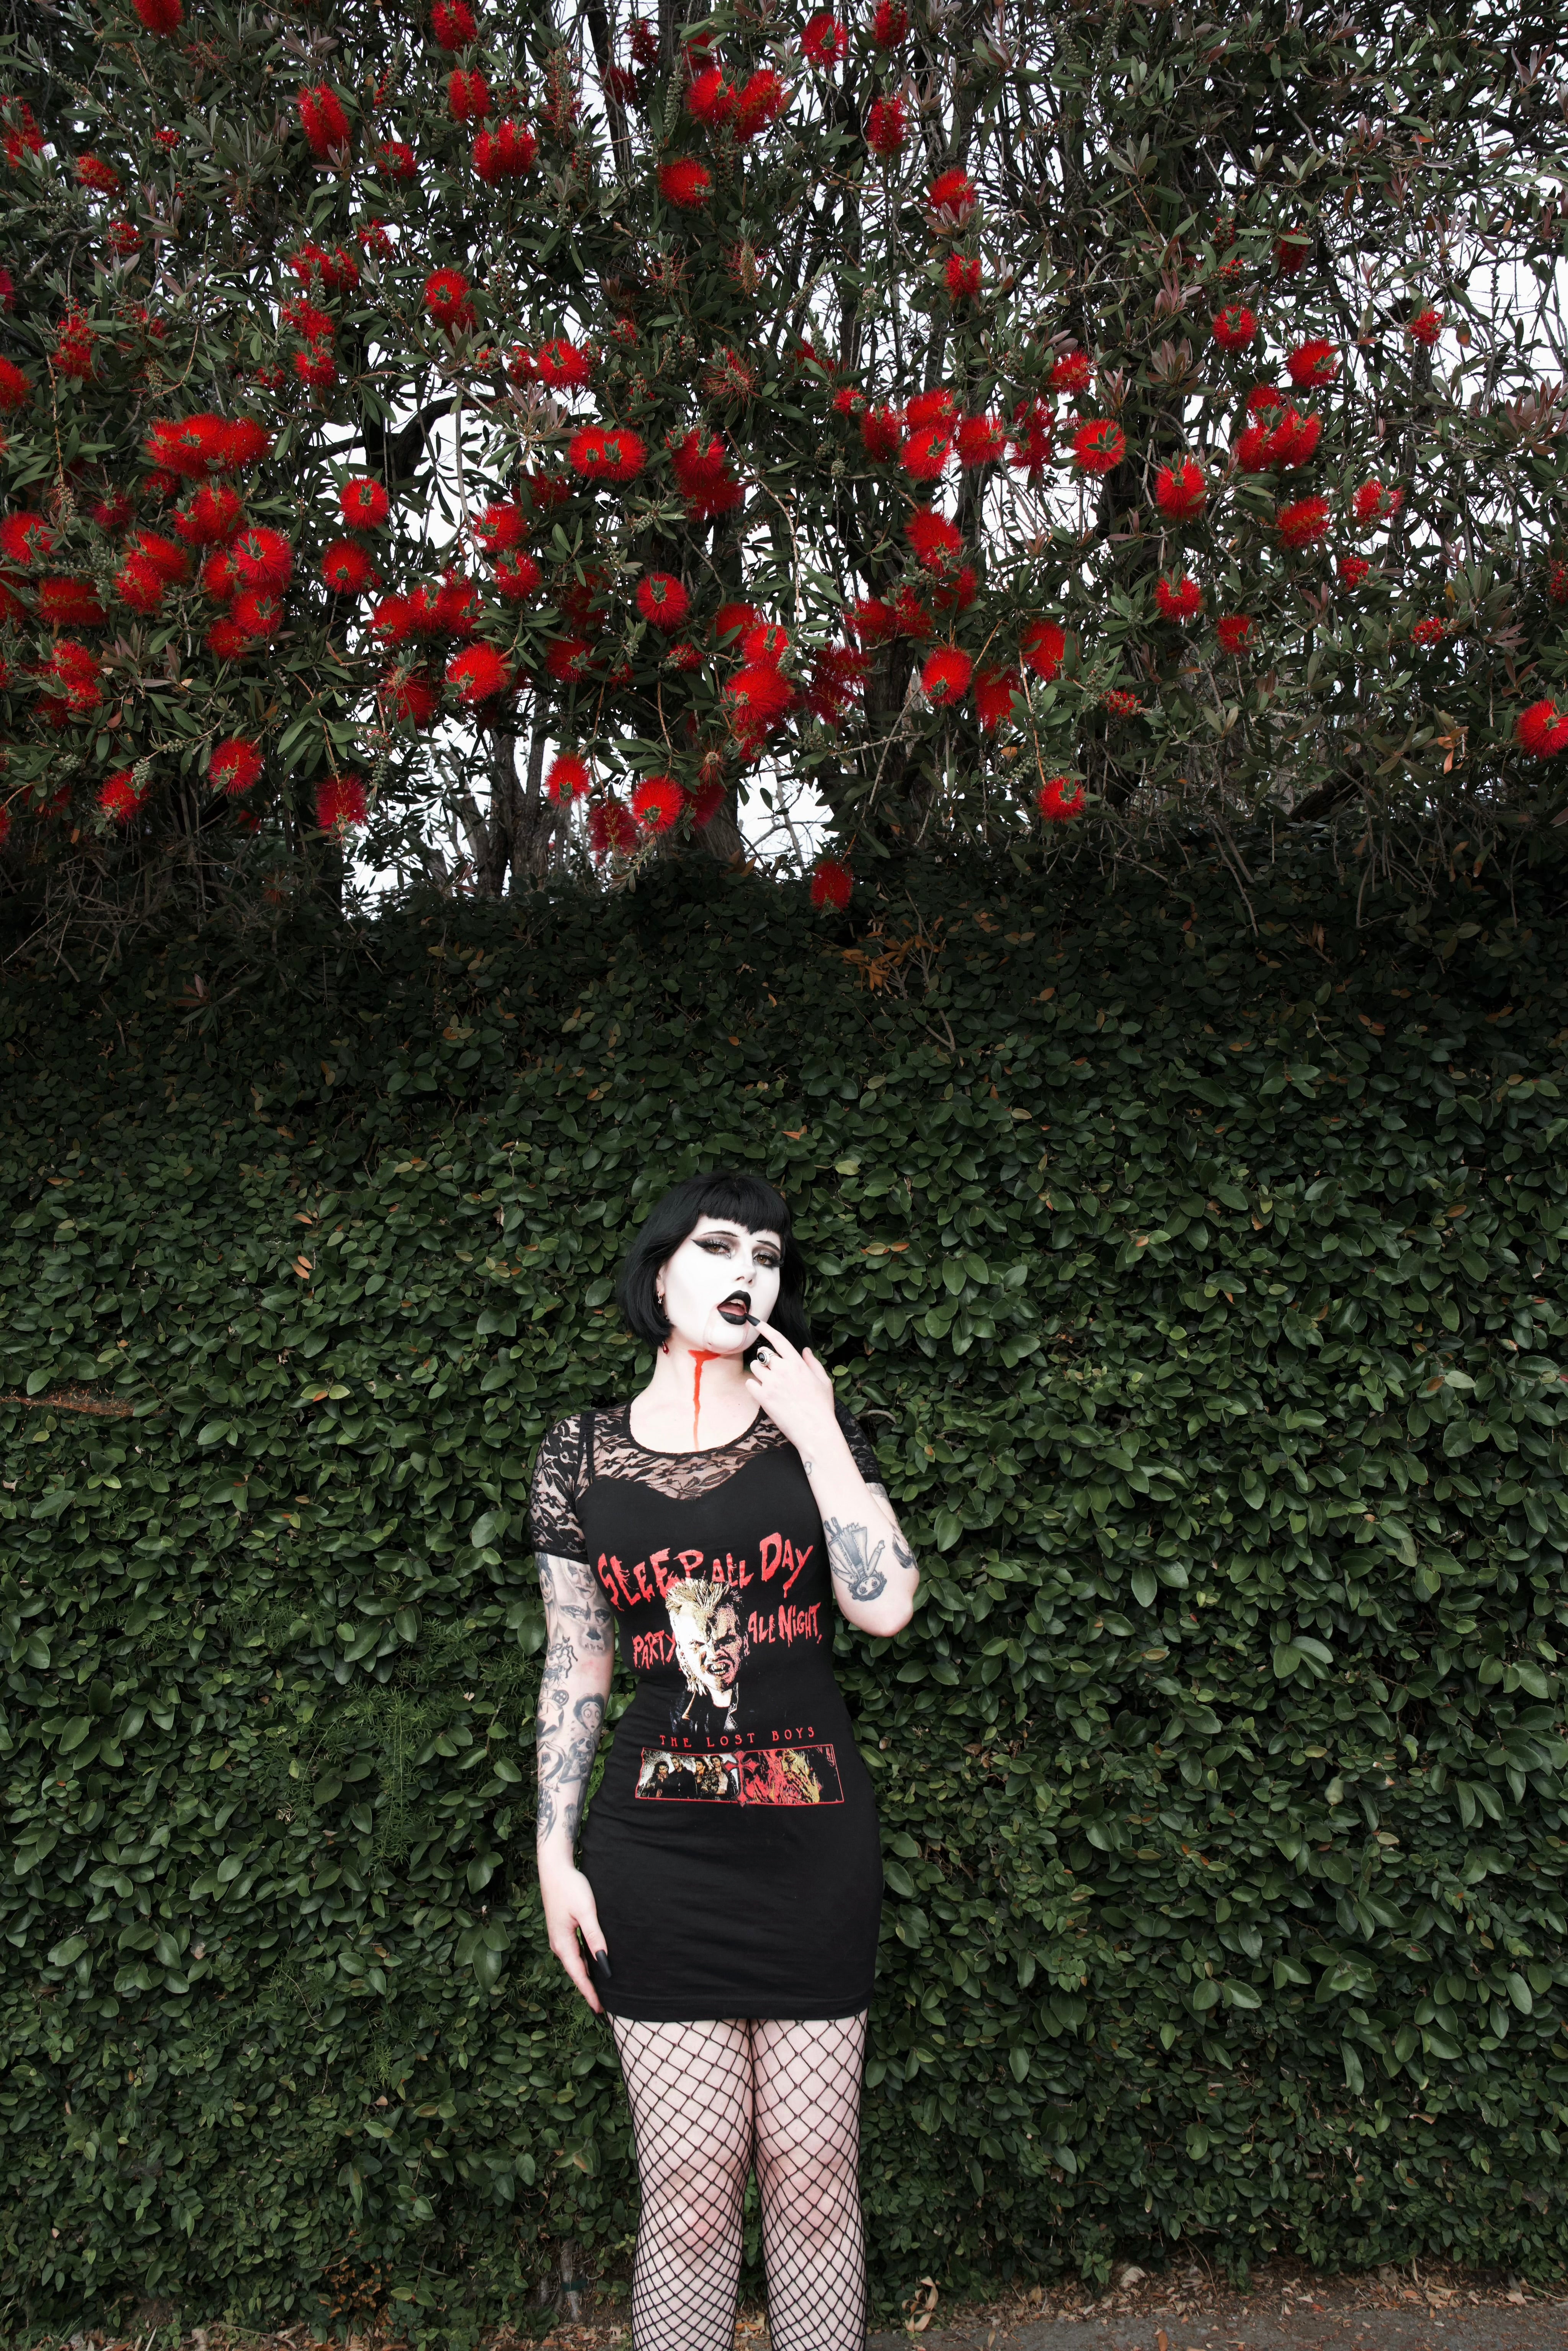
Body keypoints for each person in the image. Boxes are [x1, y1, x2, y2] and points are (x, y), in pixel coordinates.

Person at [529, 1169, 920, 2351]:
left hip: (812, 1845)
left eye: (767, 1254)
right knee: (691, 2199)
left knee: (813, 2184)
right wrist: (553, 1855)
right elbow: (575, 1662)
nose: (748, 1269)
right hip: (658, 1855)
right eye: (718, 1246)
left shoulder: (811, 1429)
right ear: (660, 1275)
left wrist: (819, 1432)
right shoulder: (578, 1455)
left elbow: (885, 1607)